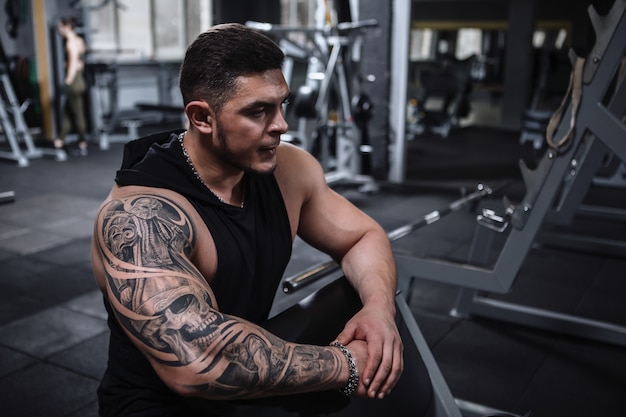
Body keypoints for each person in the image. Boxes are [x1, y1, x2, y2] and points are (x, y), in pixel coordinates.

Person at [91, 23, 403, 417]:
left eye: (281, 105)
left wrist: (378, 309)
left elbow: (363, 236)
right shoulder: (142, 217)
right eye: (259, 111)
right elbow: (197, 361)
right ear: (202, 117)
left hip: (247, 389)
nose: (281, 126)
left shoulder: (290, 170)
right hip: (159, 406)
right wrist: (349, 364)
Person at [55, 17, 88, 156]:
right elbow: (81, 62)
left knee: (77, 113)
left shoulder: (70, 43)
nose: (58, 29)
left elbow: (74, 63)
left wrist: (67, 81)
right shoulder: (80, 40)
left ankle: (82, 141)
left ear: (65, 26)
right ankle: (60, 140)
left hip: (73, 81)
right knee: (68, 112)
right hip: (80, 80)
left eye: (59, 26)